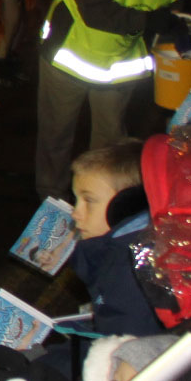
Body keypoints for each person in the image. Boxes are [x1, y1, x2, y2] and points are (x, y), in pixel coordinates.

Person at [33, 0, 191, 202]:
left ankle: (99, 200)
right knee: (57, 134)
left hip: (117, 68)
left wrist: (179, 33)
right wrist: (150, 20)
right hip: (68, 58)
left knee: (109, 144)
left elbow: (168, 20)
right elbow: (95, 11)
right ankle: (51, 197)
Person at [69, 139, 165, 337]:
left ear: (126, 205)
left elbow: (122, 345)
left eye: (89, 200)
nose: (75, 213)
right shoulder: (118, 252)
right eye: (76, 200)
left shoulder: (129, 275)